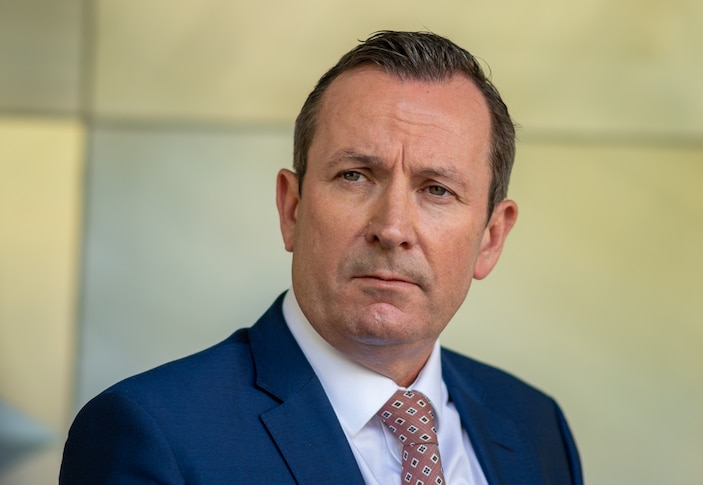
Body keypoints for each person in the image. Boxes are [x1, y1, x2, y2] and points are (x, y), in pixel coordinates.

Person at [60, 30, 583, 484]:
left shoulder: (536, 427)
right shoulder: (153, 434)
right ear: (292, 208)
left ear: (491, 238)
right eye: (355, 175)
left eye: (437, 189)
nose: (393, 228)